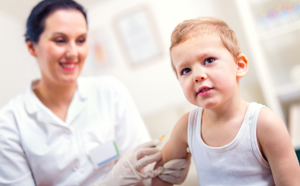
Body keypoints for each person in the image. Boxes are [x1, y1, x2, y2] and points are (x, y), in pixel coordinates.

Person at [0, 0, 191, 185]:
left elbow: (143, 172)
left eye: (81, 40)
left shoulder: (109, 92)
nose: (73, 52)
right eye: (60, 40)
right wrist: (110, 183)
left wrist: (164, 176)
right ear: (31, 47)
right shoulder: (9, 124)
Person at [152, 17, 300, 186]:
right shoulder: (187, 126)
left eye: (208, 60)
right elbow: (159, 176)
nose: (198, 75)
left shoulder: (265, 123)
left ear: (239, 65)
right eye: (186, 70)